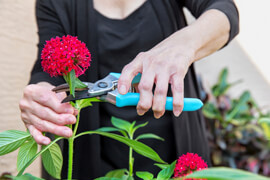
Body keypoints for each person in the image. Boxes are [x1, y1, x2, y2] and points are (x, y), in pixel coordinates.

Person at [19, 0, 239, 179]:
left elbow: (225, 12)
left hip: (173, 156)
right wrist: (42, 97)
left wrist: (182, 46)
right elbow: (45, 68)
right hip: (91, 162)